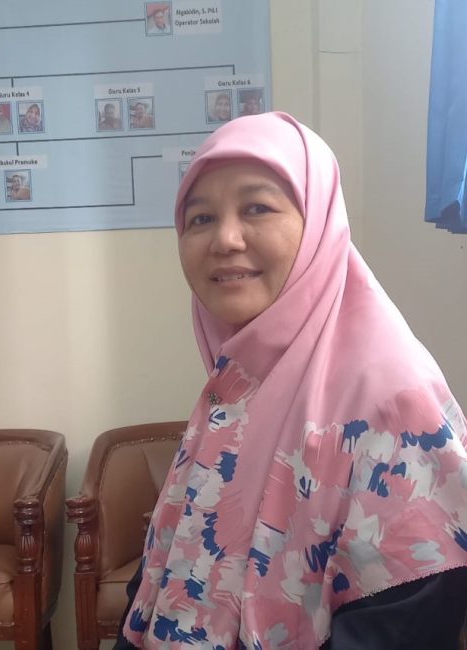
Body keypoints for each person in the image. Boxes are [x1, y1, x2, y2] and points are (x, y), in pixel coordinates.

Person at [115, 112, 467, 649]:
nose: (224, 239)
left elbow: (402, 621)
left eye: (257, 207)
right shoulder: (240, 381)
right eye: (200, 218)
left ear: (319, 225)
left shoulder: (394, 401)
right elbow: (165, 566)